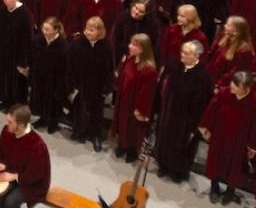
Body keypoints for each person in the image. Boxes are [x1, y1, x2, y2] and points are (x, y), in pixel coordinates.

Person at [200, 71, 256, 206]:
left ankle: (230, 191)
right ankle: (214, 188)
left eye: (236, 85)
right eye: (232, 82)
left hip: (239, 142)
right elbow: (212, 109)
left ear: (246, 88)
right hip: (220, 136)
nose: (232, 86)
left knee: (235, 169)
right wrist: (206, 128)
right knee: (215, 162)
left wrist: (253, 146)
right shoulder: (224, 93)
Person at [154, 40, 214, 182]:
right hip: (169, 114)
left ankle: (178, 172)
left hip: (187, 120)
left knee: (182, 146)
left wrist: (196, 126)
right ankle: (163, 165)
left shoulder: (204, 76)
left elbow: (203, 102)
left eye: (186, 53)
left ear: (196, 55)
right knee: (165, 140)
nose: (182, 55)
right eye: (182, 52)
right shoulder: (174, 67)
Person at [67, 16, 115, 151]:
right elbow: (70, 66)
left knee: (96, 112)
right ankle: (80, 131)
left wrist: (106, 88)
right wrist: (71, 86)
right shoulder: (77, 44)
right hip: (80, 84)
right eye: (87, 29)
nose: (87, 32)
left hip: (97, 86)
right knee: (79, 109)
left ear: (99, 32)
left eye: (92, 30)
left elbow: (109, 68)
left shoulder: (107, 47)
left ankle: (96, 136)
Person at [112, 32, 159, 161]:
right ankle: (122, 145)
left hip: (135, 105)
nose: (130, 46)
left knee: (133, 129)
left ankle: (132, 150)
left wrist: (140, 110)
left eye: (134, 45)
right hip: (124, 101)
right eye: (131, 43)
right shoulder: (129, 59)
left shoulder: (149, 70)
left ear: (142, 49)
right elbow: (122, 77)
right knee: (122, 124)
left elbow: (147, 94)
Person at [27, 17, 71, 134]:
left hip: (55, 79)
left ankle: (53, 122)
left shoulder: (63, 45)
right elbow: (32, 57)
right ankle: (42, 118)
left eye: (48, 30)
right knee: (41, 98)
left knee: (53, 102)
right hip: (40, 76)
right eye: (43, 29)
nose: (44, 32)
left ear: (56, 30)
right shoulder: (38, 40)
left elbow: (65, 67)